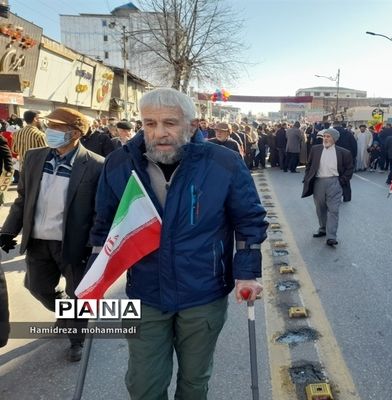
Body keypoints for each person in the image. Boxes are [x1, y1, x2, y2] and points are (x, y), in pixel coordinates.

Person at [90, 88, 267, 399]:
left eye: (170, 123)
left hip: (203, 293)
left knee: (194, 383)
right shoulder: (119, 163)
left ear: (192, 124)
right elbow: (104, 226)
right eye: (149, 123)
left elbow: (248, 222)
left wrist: (247, 273)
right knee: (143, 384)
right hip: (143, 292)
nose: (159, 133)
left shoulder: (223, 163)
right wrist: (92, 278)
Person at [0, 107, 104, 361]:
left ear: (76, 133)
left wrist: (93, 244)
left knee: (78, 294)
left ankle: (76, 340)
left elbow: (100, 210)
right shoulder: (35, 158)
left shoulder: (96, 165)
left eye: (57, 128)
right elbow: (23, 199)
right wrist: (7, 231)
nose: (50, 132)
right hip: (38, 241)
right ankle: (64, 311)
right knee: (36, 286)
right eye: (50, 126)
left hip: (74, 245)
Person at [302, 128, 353, 247]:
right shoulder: (315, 150)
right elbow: (309, 165)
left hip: (335, 182)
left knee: (333, 210)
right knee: (320, 208)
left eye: (328, 136)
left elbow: (349, 169)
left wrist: (342, 181)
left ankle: (331, 236)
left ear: (334, 139)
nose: (325, 138)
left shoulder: (344, 153)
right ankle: (323, 229)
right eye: (324, 136)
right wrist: (307, 177)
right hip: (318, 182)